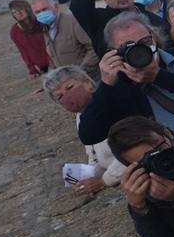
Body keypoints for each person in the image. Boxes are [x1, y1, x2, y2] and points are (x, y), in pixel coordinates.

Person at [78, 11, 174, 145]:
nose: (140, 50)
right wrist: (105, 85)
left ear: (154, 37)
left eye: (145, 42)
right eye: (129, 46)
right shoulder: (118, 85)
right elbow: (89, 135)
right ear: (113, 52)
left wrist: (160, 77)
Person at [46, 65, 123, 196]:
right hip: (109, 167)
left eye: (69, 88)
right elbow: (93, 155)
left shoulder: (112, 104)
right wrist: (85, 181)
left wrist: (103, 181)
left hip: (127, 169)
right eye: (59, 97)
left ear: (88, 83)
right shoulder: (81, 116)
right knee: (69, 177)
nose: (67, 96)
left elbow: (132, 156)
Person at [31, 0, 98, 73]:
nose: (42, 14)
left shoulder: (73, 22)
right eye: (37, 12)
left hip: (89, 78)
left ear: (55, 6)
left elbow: (94, 47)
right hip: (68, 80)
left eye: (44, 9)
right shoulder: (44, 29)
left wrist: (81, 71)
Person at [8, 0, 49, 78]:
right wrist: (32, 69)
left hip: (54, 59)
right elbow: (23, 52)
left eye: (20, 10)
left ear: (27, 9)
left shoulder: (42, 22)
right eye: (14, 12)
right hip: (41, 65)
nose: (18, 14)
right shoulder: (14, 32)